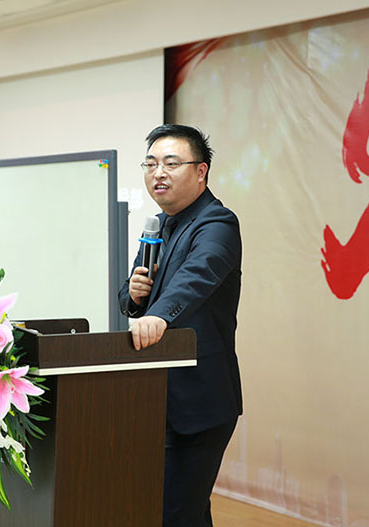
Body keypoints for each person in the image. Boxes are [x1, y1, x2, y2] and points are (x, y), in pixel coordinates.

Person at [118, 124, 242, 526]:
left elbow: (197, 277)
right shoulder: (158, 226)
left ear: (201, 171)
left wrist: (158, 314)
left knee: (172, 514)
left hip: (199, 402)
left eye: (171, 163)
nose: (159, 173)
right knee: (185, 513)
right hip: (158, 397)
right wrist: (135, 295)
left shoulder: (217, 223)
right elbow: (132, 298)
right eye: (151, 164)